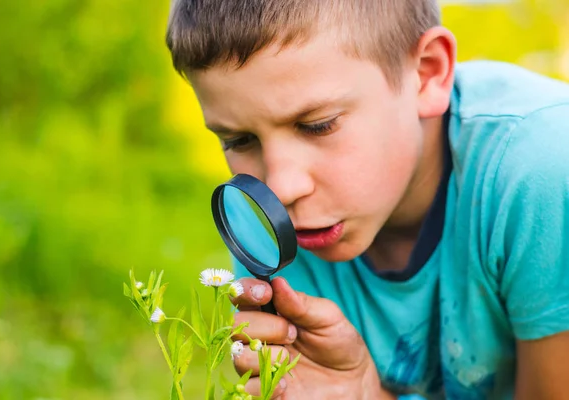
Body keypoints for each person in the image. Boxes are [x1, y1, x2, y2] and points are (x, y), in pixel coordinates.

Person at [166, 0, 569, 398]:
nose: (280, 188)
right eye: (238, 140)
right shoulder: (268, 225)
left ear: (426, 75)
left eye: (317, 125)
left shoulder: (540, 171)